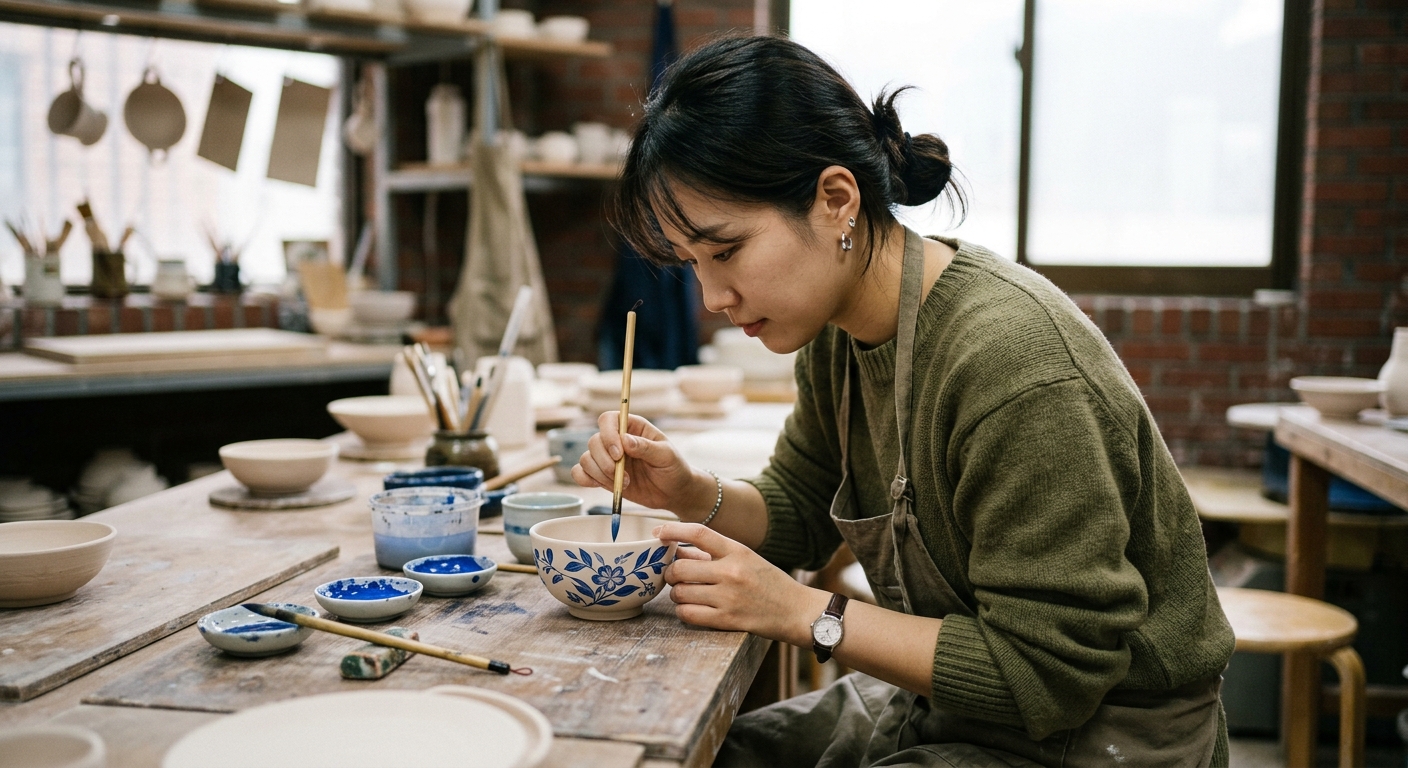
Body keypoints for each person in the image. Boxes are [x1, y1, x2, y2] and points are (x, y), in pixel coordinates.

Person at [573, 35, 1234, 768]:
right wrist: (692, 492)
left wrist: (800, 612)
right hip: (953, 703)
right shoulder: (836, 330)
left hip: (1099, 734)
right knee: (698, 754)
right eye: (692, 265)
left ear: (835, 200)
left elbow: (1049, 673)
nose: (714, 298)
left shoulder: (1012, 363)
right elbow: (799, 506)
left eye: (725, 252)